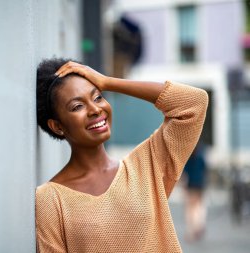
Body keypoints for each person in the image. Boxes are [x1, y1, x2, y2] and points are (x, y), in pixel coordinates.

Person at [35, 58, 208, 252]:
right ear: (57, 126)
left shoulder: (146, 166)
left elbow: (194, 103)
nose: (95, 109)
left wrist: (107, 82)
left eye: (98, 97)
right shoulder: (50, 198)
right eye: (77, 106)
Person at [183, 143, 207, 242]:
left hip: (191, 185)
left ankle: (193, 229)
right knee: (199, 206)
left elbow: (185, 172)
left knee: (190, 209)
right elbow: (205, 169)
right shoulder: (201, 155)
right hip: (200, 184)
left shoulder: (189, 157)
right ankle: (199, 224)